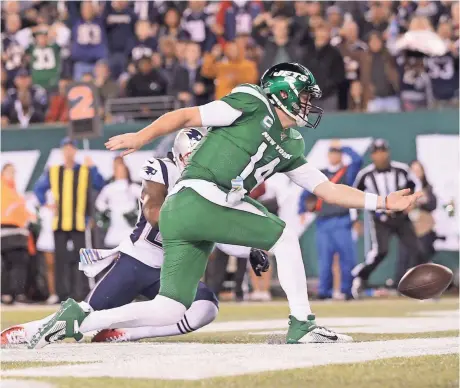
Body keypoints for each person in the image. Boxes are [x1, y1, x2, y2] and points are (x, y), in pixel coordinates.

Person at [30, 62, 421, 349]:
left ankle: (81, 318)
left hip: (187, 214)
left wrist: (382, 201)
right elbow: (187, 115)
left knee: (169, 308)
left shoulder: (292, 144)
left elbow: (326, 189)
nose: (308, 104)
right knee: (283, 238)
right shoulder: (253, 101)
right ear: (283, 92)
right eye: (303, 96)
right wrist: (144, 135)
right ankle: (302, 324)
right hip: (200, 196)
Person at [2, 129, 267, 346]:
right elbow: (153, 211)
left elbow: (221, 233)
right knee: (86, 314)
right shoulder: (162, 168)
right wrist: (200, 219)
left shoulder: (212, 186)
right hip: (137, 261)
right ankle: (27, 331)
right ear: (180, 157)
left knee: (206, 308)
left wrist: (249, 249)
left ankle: (127, 333)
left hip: (170, 271)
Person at [33, 138, 105, 302]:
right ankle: (61, 293)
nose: (68, 152)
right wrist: (46, 204)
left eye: (71, 148)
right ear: (62, 151)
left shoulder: (85, 170)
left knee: (81, 259)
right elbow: (38, 189)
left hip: (79, 222)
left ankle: (81, 292)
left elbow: (100, 184)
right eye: (65, 149)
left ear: (75, 151)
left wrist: (93, 167)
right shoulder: (54, 171)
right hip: (60, 223)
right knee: (60, 260)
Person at [351, 139, 423, 299]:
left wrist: (412, 202)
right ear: (372, 155)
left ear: (387, 152)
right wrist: (356, 219)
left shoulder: (401, 169)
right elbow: (353, 196)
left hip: (401, 216)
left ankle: (421, 284)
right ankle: (360, 277)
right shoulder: (365, 174)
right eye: (377, 152)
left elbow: (416, 185)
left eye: (383, 151)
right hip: (380, 219)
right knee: (380, 252)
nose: (380, 155)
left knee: (416, 249)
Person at [298, 141, 362, 299]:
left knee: (347, 259)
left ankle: (347, 291)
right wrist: (302, 210)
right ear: (328, 156)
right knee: (324, 261)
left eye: (337, 153)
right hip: (324, 222)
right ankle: (324, 292)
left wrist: (344, 147)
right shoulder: (321, 173)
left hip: (342, 220)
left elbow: (358, 160)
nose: (334, 155)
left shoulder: (347, 172)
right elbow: (305, 192)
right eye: (332, 152)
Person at [1, 163, 35, 304]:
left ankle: (10, 294)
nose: (12, 174)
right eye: (9, 171)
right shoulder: (5, 190)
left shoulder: (15, 191)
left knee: (15, 264)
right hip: (8, 231)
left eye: (14, 172)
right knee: (15, 263)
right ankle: (14, 294)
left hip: (18, 233)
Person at [95, 156, 141, 249]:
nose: (120, 172)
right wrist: (106, 211)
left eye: (122, 170)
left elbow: (145, 198)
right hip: (115, 222)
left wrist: (137, 211)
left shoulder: (132, 187)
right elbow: (99, 202)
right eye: (118, 170)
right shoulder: (109, 188)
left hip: (129, 223)